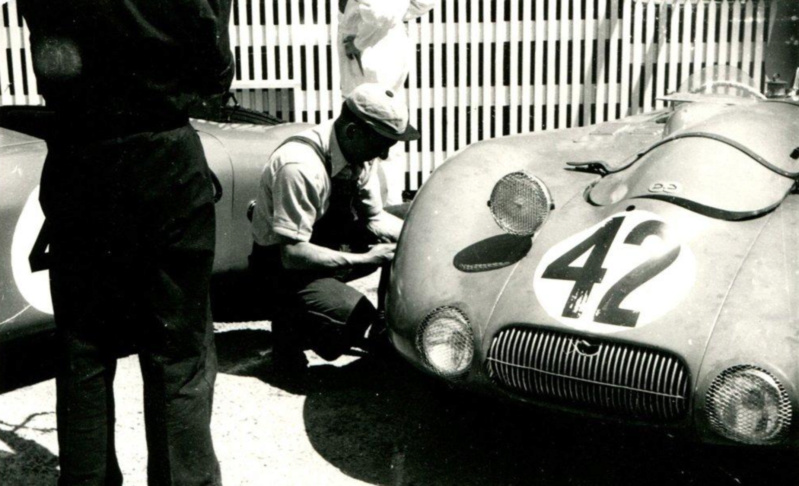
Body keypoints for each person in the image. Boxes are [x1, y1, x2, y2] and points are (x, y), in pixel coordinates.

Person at [17, 2, 233, 485]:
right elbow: (214, 65)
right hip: (166, 163)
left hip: (79, 164)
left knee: (84, 350)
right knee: (178, 351)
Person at [249, 83, 420, 371]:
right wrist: (366, 259)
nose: (385, 155)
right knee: (350, 318)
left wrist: (419, 239)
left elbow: (374, 218)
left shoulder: (356, 150)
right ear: (353, 131)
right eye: (382, 145)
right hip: (282, 267)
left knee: (412, 219)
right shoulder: (299, 165)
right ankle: (289, 333)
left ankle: (380, 328)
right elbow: (292, 254)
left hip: (326, 243)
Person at [337, 0, 436, 206]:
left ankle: (375, 208)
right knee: (385, 128)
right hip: (385, 48)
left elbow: (382, 13)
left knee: (370, 129)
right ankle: (386, 204)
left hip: (372, 54)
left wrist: (359, 42)